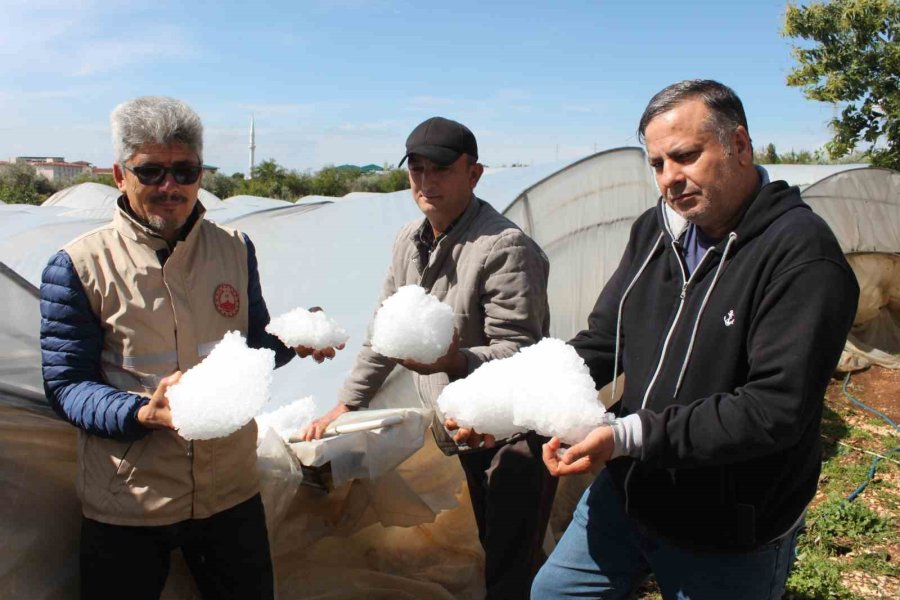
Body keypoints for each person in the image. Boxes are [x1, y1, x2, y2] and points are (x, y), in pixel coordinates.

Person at [531, 80, 859, 599]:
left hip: (726, 522)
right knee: (556, 593)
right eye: (657, 164)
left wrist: (624, 436)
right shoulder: (654, 233)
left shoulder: (800, 255)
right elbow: (603, 341)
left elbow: (774, 408)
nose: (670, 179)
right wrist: (514, 400)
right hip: (632, 492)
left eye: (685, 156)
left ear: (741, 146)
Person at [39, 96, 336, 600]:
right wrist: (141, 414)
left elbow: (250, 347)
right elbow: (66, 385)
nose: (169, 187)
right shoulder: (78, 265)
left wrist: (292, 338)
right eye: (151, 172)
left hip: (230, 492)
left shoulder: (235, 248)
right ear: (120, 174)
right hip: (130, 498)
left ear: (201, 173)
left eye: (184, 171)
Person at [303, 116, 558, 599]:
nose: (427, 182)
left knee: (511, 555)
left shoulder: (504, 247)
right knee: (495, 542)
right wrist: (347, 404)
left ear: (474, 174)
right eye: (417, 170)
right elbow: (385, 333)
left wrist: (454, 361)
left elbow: (522, 351)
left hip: (514, 432)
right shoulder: (409, 241)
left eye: (441, 170)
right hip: (464, 423)